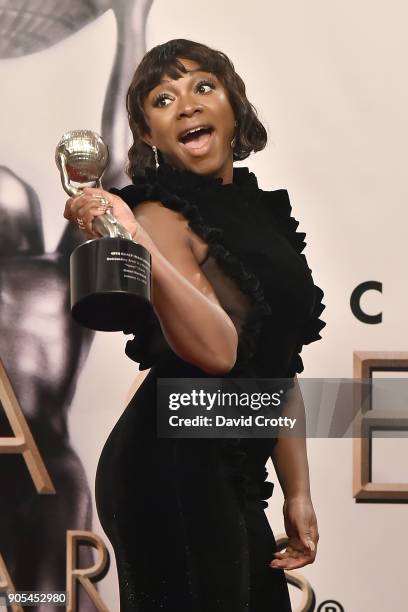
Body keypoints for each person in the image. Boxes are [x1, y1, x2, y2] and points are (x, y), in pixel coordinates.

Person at [64, 39, 326, 612]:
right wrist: (132, 238)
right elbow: (218, 354)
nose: (186, 104)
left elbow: (278, 365)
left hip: (231, 471)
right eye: (163, 99)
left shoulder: (265, 216)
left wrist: (298, 491)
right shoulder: (156, 214)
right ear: (151, 136)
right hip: (170, 464)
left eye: (203, 86)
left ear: (235, 108)